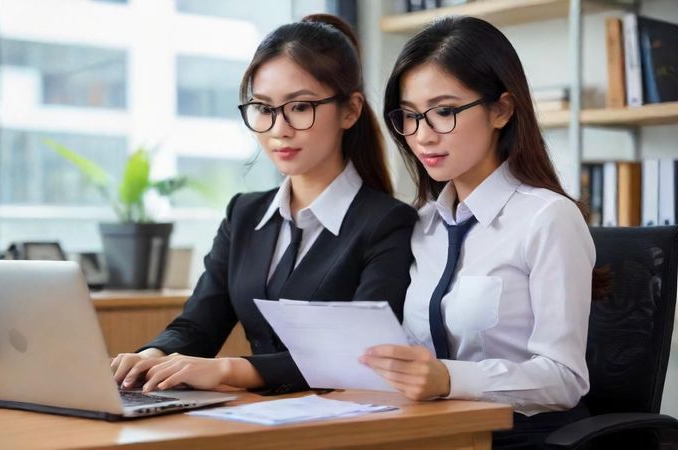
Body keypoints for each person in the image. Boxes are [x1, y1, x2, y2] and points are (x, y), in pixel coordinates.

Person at [112, 14, 417, 395]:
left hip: (346, 421)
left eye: (300, 107)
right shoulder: (244, 214)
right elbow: (198, 325)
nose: (278, 128)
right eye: (263, 107)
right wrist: (152, 357)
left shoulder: (389, 223)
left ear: (350, 110)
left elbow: (357, 356)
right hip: (256, 417)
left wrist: (226, 370)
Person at [360, 16, 595, 449]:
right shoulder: (422, 224)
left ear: (501, 109)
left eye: (444, 112)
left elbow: (564, 380)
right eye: (409, 117)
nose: (422, 136)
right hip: (434, 432)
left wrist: (448, 378)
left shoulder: (548, 218)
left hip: (521, 436)